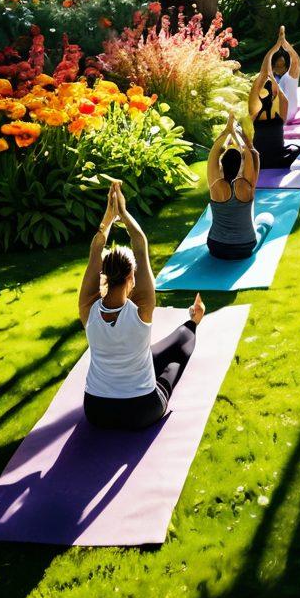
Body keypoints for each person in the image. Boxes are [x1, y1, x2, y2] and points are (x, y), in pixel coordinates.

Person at [78, 181, 205, 431]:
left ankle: (192, 321)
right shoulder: (143, 308)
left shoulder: (87, 308)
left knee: (151, 353)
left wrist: (108, 219)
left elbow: (96, 250)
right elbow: (140, 243)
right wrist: (123, 214)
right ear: (131, 278)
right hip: (141, 411)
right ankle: (194, 320)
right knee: (176, 358)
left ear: (104, 275)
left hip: (96, 410)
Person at [207, 113, 272, 260]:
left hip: (216, 246)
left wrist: (227, 130)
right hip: (244, 247)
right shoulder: (247, 186)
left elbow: (214, 152)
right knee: (265, 220)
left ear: (222, 165)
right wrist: (239, 135)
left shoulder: (215, 186)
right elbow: (249, 154)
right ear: (240, 166)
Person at [248, 57, 300, 170]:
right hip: (277, 160)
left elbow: (254, 89)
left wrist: (268, 74)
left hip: (261, 162)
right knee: (296, 148)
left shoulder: (254, 114)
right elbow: (284, 99)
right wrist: (272, 78)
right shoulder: (280, 116)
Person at [265, 26, 300, 122]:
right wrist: (281, 42)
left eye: (282, 65)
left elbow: (296, 61)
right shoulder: (274, 77)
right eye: (278, 65)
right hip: (286, 114)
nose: (280, 68)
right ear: (274, 67)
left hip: (284, 115)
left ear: (286, 66)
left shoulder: (289, 78)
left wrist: (281, 42)